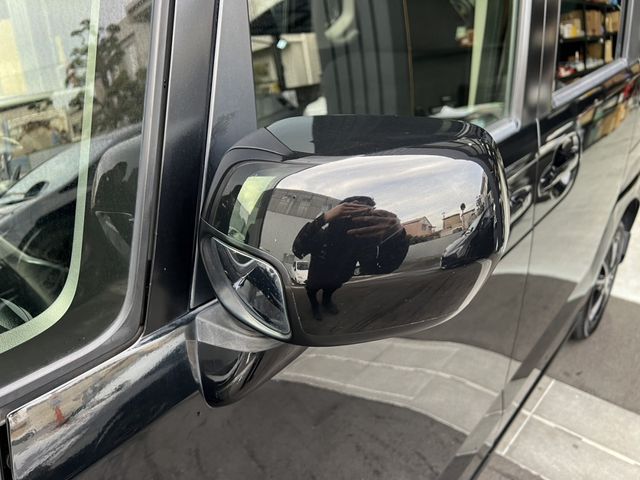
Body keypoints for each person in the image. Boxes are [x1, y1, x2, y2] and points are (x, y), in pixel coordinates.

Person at [292, 196, 409, 320]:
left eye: (364, 214)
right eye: (348, 211)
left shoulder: (362, 241)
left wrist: (396, 234)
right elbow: (298, 249)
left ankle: (326, 302)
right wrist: (324, 218)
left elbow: (377, 269)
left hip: (338, 279)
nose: (354, 219)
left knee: (329, 292)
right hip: (316, 277)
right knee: (312, 292)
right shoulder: (322, 235)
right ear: (336, 215)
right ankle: (315, 306)